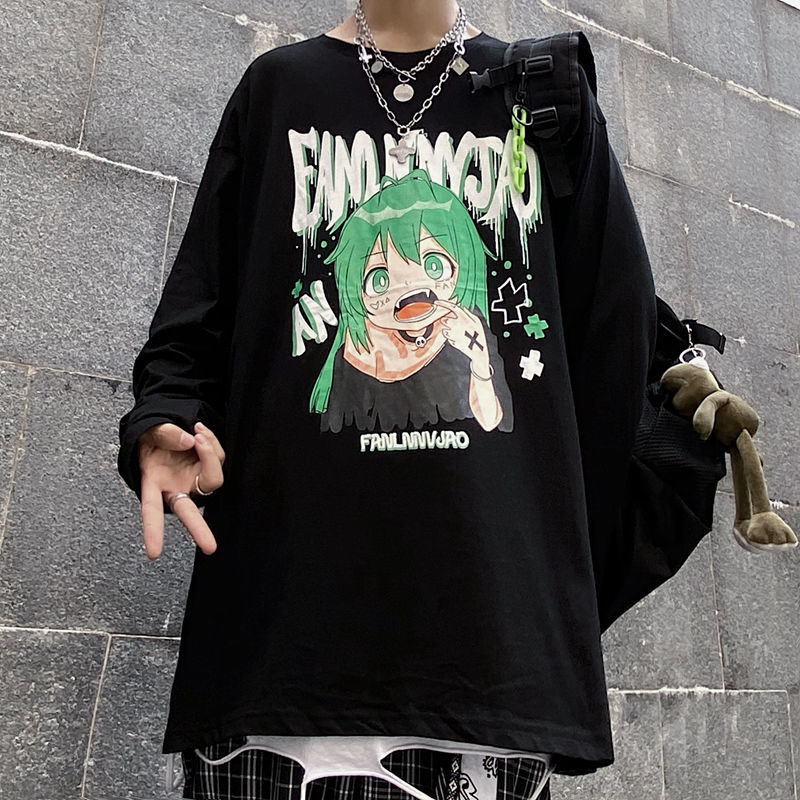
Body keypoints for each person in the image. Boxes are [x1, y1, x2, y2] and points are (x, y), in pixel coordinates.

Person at [116, 1, 658, 798]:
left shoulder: (540, 95)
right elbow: (197, 311)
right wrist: (164, 416)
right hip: (281, 658)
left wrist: (539, 565)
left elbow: (617, 349)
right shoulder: (278, 90)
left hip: (486, 673)